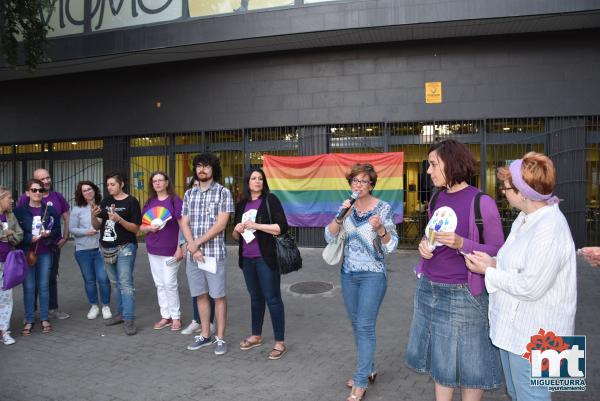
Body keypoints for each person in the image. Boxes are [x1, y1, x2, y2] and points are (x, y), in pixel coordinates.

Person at [465, 152, 577, 401]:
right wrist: (493, 262)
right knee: (518, 394)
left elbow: (531, 286)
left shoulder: (550, 227)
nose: (503, 192)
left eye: (506, 187)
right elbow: (518, 266)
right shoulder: (526, 218)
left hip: (539, 335)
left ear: (524, 192)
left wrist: (489, 272)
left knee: (532, 396)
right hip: (517, 331)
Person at [405, 139, 504, 401]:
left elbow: (499, 252)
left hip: (464, 294)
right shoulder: (436, 198)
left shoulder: (482, 203)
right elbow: (431, 237)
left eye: (433, 164)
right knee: (441, 361)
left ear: (451, 163)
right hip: (429, 288)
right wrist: (424, 246)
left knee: (472, 364)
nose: (428, 170)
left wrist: (463, 244)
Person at [325, 163, 398, 401]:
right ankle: (369, 368)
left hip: (373, 275)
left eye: (363, 181)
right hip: (348, 274)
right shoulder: (347, 207)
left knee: (365, 326)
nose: (358, 185)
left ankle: (360, 382)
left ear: (372, 184)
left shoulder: (383, 209)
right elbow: (329, 235)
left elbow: (392, 245)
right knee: (357, 325)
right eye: (355, 181)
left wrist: (380, 229)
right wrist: (340, 215)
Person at [232, 168, 289, 360]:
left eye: (260, 178)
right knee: (255, 298)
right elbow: (234, 236)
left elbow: (281, 227)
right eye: (253, 178)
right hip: (247, 259)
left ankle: (280, 342)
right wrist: (237, 229)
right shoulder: (241, 204)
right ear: (247, 182)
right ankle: (256, 335)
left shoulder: (270, 200)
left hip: (266, 258)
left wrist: (256, 226)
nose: (257, 181)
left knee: (272, 298)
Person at [181, 152, 234, 355]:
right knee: (200, 295)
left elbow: (221, 224)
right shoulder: (189, 194)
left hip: (213, 254)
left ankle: (220, 338)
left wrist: (196, 244)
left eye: (206, 166)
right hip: (194, 256)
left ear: (213, 169)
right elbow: (184, 222)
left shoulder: (223, 192)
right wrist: (193, 247)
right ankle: (205, 335)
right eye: (198, 166)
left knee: (218, 296)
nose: (202, 170)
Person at [91, 172, 141, 335]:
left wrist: (119, 219)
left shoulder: (131, 202)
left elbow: (136, 229)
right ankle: (120, 314)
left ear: (121, 185)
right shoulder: (106, 202)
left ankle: (128, 319)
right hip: (106, 248)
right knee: (115, 283)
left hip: (125, 247)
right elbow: (98, 226)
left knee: (126, 284)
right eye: (108, 185)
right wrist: (93, 216)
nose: (109, 187)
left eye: (112, 184)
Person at [17, 168, 71, 320]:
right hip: (30, 249)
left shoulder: (56, 198)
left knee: (50, 279)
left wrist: (64, 237)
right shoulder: (22, 203)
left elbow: (64, 219)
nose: (46, 182)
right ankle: (31, 312)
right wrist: (28, 238)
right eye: (41, 180)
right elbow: (18, 225)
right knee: (30, 282)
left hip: (50, 247)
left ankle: (50, 310)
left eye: (48, 178)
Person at [14, 179, 62, 335]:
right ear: (27, 193)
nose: (37, 193)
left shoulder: (50, 210)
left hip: (45, 252)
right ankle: (29, 319)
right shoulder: (20, 211)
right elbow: (16, 234)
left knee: (43, 286)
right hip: (28, 253)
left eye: (40, 190)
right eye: (34, 190)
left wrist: (48, 234)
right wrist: (30, 238)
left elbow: (57, 232)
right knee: (29, 287)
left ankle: (44, 318)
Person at [140, 171, 184, 331]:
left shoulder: (175, 201)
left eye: (161, 180)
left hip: (172, 250)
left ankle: (176, 317)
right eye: (155, 181)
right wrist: (148, 228)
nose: (158, 183)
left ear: (167, 183)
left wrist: (181, 247)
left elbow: (184, 225)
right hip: (153, 249)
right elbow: (141, 226)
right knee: (160, 284)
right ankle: (165, 316)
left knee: (169, 283)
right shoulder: (150, 202)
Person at [70, 181, 112, 320]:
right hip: (83, 251)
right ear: (81, 194)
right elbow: (72, 229)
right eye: (84, 190)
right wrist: (85, 232)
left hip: (100, 249)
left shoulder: (103, 206)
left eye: (90, 189)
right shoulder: (77, 209)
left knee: (103, 278)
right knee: (89, 280)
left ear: (94, 190)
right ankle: (94, 306)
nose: (88, 192)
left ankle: (105, 305)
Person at [181, 179, 216, 336]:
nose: (197, 188)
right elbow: (183, 226)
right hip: (193, 252)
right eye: (194, 186)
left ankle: (210, 323)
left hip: (210, 251)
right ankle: (197, 321)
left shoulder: (214, 201)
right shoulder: (188, 201)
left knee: (212, 290)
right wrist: (186, 245)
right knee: (197, 291)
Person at [0, 186, 24, 345]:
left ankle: (4, 331)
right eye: (9, 198)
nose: (12, 200)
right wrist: (3, 234)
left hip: (6, 262)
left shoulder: (11, 216)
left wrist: (10, 236)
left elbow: (19, 235)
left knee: (6, 297)